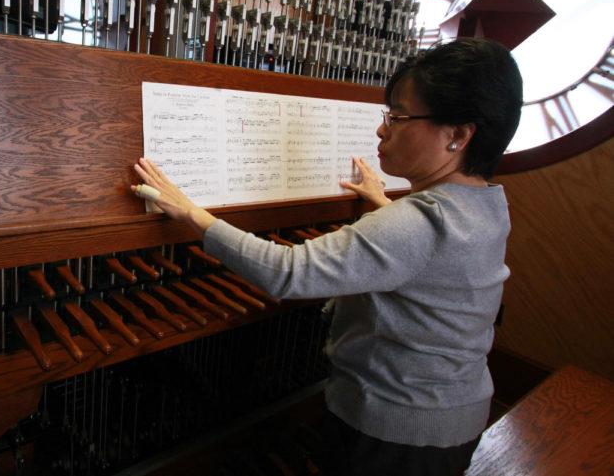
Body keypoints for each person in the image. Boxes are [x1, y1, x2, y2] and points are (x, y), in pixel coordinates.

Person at [131, 37, 523, 476]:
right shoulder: (487, 204)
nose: (382, 129)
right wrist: (386, 205)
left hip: (396, 433)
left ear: (457, 134)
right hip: (456, 413)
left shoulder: (414, 224)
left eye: (397, 116)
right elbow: (434, 253)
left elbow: (287, 272)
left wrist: (192, 213)